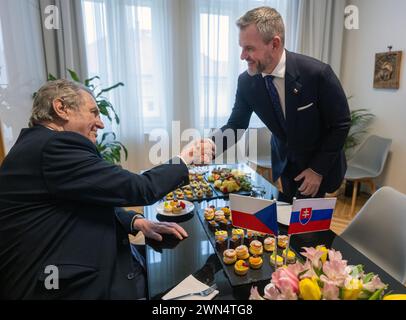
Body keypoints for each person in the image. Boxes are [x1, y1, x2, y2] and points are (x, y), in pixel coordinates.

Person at [0, 79, 215, 299]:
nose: (100, 123)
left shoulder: (37, 145)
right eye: (93, 112)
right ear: (61, 108)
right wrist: (186, 157)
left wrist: (136, 221)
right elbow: (141, 188)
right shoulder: (53, 148)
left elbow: (80, 201)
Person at [212, 6, 351, 202]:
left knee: (310, 229)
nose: (243, 56)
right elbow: (236, 126)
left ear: (275, 44)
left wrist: (317, 170)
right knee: (287, 224)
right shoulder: (246, 82)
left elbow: (341, 124)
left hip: (320, 169)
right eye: (241, 47)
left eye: (249, 48)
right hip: (286, 166)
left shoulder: (317, 74)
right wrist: (208, 147)